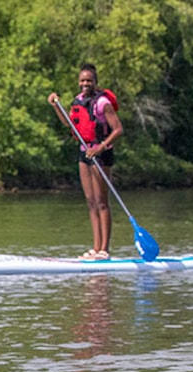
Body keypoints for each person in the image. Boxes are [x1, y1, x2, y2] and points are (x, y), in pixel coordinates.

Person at [49, 63, 124, 261]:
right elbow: (68, 123)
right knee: (90, 201)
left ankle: (104, 250)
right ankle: (95, 247)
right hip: (84, 152)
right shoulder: (78, 101)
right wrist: (56, 106)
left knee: (101, 202)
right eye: (82, 80)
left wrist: (100, 147)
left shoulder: (102, 103)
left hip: (101, 153)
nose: (85, 84)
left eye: (89, 81)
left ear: (95, 82)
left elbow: (118, 129)